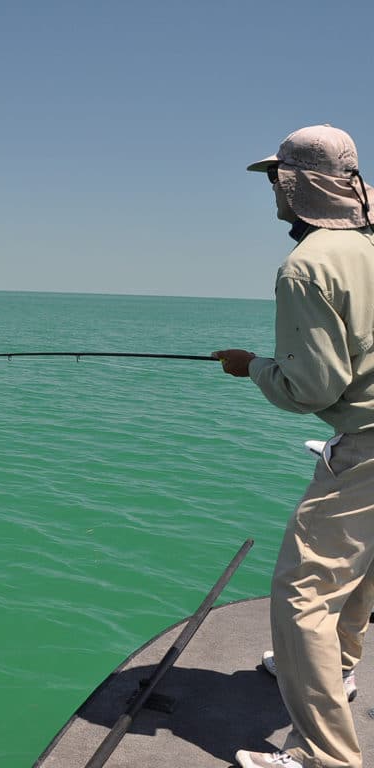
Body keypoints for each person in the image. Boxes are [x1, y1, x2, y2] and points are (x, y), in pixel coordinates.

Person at [214, 124, 374, 768]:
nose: (273, 194)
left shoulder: (307, 266)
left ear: (295, 184)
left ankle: (324, 757)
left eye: (276, 180)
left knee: (304, 592)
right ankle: (336, 667)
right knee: (358, 574)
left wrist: (250, 365)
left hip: (366, 450)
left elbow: (310, 387)